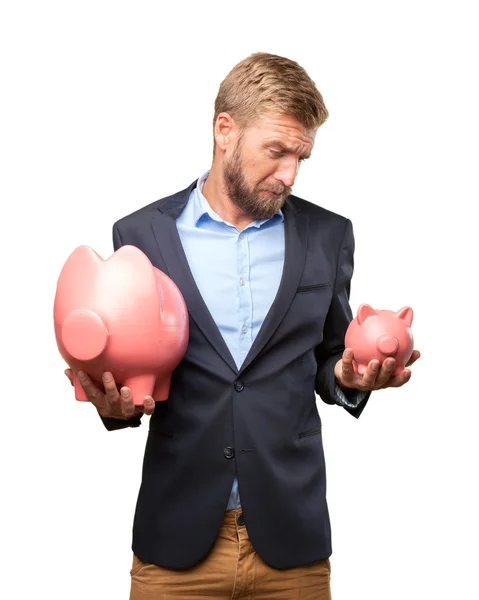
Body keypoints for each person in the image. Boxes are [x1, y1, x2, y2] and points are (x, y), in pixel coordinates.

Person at [65, 52, 420, 599]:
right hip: (174, 546)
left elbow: (330, 358)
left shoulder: (329, 236)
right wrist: (114, 408)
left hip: (292, 546)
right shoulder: (140, 235)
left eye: (301, 157)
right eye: (276, 151)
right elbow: (132, 365)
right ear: (224, 131)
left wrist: (351, 379)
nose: (289, 174)